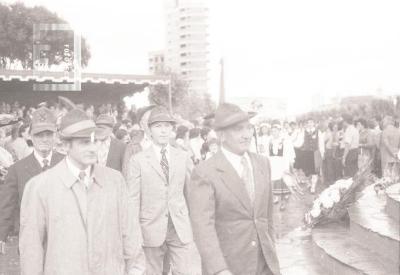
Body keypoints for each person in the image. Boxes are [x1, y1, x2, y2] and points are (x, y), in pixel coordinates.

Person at [19, 108, 145, 274]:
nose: (93, 148)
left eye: (96, 141)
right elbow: (31, 252)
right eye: (85, 142)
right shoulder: (39, 187)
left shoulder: (115, 181)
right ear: (65, 146)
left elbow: (131, 237)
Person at [186, 103, 281, 275]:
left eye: (249, 128)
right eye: (238, 129)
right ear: (221, 135)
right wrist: (219, 269)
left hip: (265, 265)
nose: (247, 135)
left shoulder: (262, 163)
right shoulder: (205, 172)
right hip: (229, 267)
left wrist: (271, 255)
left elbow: (267, 218)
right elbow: (202, 228)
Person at [126, 106, 199, 275]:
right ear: (149, 130)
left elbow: (192, 194)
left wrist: (193, 223)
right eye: (158, 126)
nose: (163, 131)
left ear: (172, 129)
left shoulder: (183, 157)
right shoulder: (138, 160)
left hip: (179, 227)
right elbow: (133, 199)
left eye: (167, 126)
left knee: (184, 271)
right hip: (151, 227)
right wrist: (134, 230)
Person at [0, 107, 64, 251]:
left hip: (63, 241)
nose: (44, 139)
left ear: (56, 135)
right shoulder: (17, 169)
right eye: (39, 135)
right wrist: (1, 236)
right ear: (30, 136)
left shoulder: (67, 164)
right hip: (30, 242)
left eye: (48, 134)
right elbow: (6, 205)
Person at [266, 122, 296, 211]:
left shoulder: (285, 140)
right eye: (272, 131)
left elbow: (290, 152)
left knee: (283, 184)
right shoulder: (269, 141)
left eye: (275, 131)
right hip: (273, 164)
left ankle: (283, 203)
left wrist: (290, 163)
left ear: (279, 131)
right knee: (275, 183)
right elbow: (267, 154)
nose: (274, 133)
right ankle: (276, 198)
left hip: (282, 164)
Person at [380, 115, 400, 180]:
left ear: (386, 122)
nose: (382, 123)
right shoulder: (398, 131)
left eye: (383, 121)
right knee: (395, 177)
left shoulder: (384, 131)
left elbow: (387, 145)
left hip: (387, 156)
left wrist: (392, 153)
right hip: (396, 156)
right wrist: (396, 153)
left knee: (387, 178)